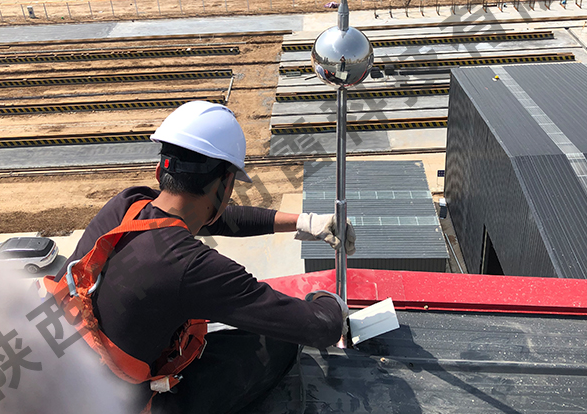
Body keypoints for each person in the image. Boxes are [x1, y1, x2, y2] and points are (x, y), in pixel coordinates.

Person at [46, 101, 355, 414]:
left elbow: (212, 218)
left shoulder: (128, 205)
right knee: (277, 344)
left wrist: (305, 222)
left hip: (66, 376)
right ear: (225, 186)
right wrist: (328, 301)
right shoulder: (192, 268)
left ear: (160, 171)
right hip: (124, 405)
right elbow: (320, 328)